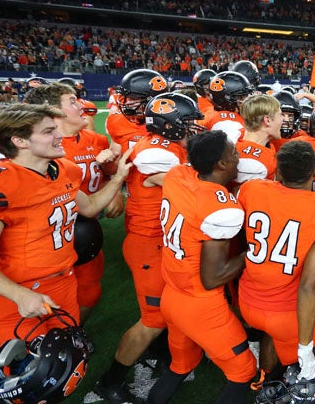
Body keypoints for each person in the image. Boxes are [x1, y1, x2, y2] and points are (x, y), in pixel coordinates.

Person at [0, 103, 132, 350]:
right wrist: (19, 295)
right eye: (48, 132)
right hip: (19, 292)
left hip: (65, 282)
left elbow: (89, 206)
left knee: (67, 363)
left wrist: (119, 179)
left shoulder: (63, 169)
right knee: (29, 377)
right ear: (20, 141)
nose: (59, 135)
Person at [96, 92, 204, 403]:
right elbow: (190, 186)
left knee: (166, 309)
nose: (192, 128)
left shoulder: (160, 144)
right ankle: (110, 381)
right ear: (170, 126)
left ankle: (158, 350)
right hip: (149, 244)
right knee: (153, 318)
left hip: (156, 241)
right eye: (187, 123)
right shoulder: (158, 154)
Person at [147, 130, 256, 404]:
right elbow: (213, 277)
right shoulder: (218, 208)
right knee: (243, 370)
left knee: (180, 365)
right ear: (220, 164)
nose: (238, 157)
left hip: (171, 294)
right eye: (232, 154)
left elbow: (190, 167)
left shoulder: (177, 177)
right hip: (201, 304)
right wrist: (251, 252)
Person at [237, 140, 315, 388]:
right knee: (302, 381)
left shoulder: (252, 189)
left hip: (248, 301)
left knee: (269, 337)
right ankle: (275, 387)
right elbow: (310, 286)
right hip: (288, 314)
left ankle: (265, 380)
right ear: (313, 172)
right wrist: (305, 348)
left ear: (278, 171)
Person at [24, 83, 124, 323]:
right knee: (43, 301)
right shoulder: (34, 151)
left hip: (84, 227)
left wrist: (114, 187)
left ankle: (72, 333)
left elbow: (107, 175)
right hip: (46, 235)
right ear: (52, 111)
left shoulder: (96, 139)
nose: (81, 105)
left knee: (89, 292)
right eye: (72, 101)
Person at [234, 93, 283, 185]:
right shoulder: (250, 162)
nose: (283, 119)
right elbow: (247, 197)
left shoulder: (240, 137)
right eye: (280, 115)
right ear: (267, 120)